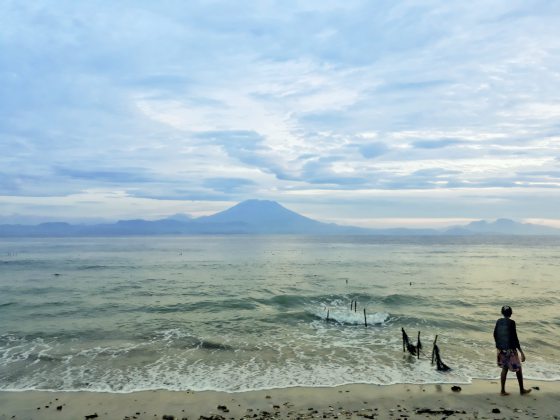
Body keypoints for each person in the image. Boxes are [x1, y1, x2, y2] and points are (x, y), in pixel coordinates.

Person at [493, 305, 531, 396]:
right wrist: (521, 352)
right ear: (511, 313)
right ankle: (522, 390)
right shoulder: (512, 322)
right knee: (518, 368)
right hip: (510, 349)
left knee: (505, 368)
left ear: (502, 313)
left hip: (501, 348)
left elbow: (495, 334)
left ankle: (502, 391)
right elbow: (515, 338)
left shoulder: (498, 321)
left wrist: (498, 347)